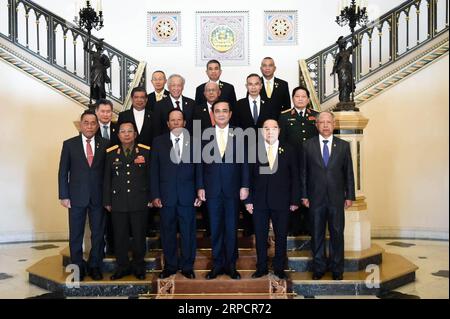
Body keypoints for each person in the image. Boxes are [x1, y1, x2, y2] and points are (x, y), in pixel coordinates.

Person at [197, 101, 250, 280]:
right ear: (213, 114)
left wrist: (245, 185)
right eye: (217, 111)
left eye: (224, 111)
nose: (221, 114)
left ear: (230, 113)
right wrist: (200, 186)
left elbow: (245, 162)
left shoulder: (240, 134)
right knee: (215, 228)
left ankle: (231, 265)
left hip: (233, 189)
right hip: (211, 190)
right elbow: (199, 164)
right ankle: (217, 264)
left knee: (231, 228)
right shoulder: (204, 134)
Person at [301, 111, 355, 281]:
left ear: (334, 124)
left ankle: (337, 269)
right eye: (321, 122)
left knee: (337, 234)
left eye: (328, 122)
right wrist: (304, 195)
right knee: (316, 234)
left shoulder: (344, 146)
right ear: (316, 125)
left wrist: (350, 195)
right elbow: (303, 173)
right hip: (315, 198)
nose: (325, 125)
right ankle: (319, 268)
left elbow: (349, 173)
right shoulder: (307, 145)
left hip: (337, 198)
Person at [151, 109, 202, 279]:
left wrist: (199, 192)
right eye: (172, 120)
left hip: (188, 196)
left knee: (188, 233)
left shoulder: (195, 142)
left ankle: (188, 266)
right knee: (168, 233)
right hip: (166, 197)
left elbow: (199, 170)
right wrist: (155, 194)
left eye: (179, 120)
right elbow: (154, 171)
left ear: (184, 123)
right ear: (168, 123)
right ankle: (171, 266)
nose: (176, 123)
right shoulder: (158, 142)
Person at [245, 119, 300, 280]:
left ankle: (279, 267)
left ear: (279, 131)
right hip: (259, 201)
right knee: (260, 237)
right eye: (266, 128)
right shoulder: (253, 150)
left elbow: (295, 176)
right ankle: (261, 267)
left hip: (282, 201)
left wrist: (294, 200)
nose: (270, 131)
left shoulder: (289, 150)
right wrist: (248, 200)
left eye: (274, 128)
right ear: (262, 132)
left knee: (281, 236)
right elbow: (247, 177)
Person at [58, 110, 109, 281]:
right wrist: (64, 196)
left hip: (98, 197)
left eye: (93, 123)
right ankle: (77, 267)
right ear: (81, 125)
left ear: (97, 125)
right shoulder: (69, 144)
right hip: (75, 197)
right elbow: (63, 172)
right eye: (86, 122)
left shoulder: (106, 144)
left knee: (98, 234)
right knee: (76, 235)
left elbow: (109, 174)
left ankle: (95, 266)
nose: (89, 126)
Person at [103, 121, 152, 280]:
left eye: (129, 131)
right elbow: (106, 179)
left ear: (135, 134)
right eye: (122, 131)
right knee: (120, 236)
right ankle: (122, 267)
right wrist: (107, 200)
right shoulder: (111, 153)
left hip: (140, 200)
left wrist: (151, 197)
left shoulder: (145, 152)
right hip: (118, 201)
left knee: (139, 237)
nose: (126, 134)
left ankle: (138, 266)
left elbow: (151, 177)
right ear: (118, 135)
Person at [232, 73, 279, 237]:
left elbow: (273, 128)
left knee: (262, 185)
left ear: (261, 86)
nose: (253, 87)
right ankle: (248, 226)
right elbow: (235, 129)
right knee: (246, 185)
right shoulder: (239, 105)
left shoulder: (270, 105)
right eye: (250, 84)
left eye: (256, 84)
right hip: (244, 152)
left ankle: (264, 226)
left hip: (265, 152)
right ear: (246, 86)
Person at [279, 86, 319, 236]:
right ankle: (294, 228)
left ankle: (309, 227)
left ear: (308, 99)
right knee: (293, 193)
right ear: (293, 99)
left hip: (312, 163)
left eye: (303, 96)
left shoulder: (316, 116)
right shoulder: (284, 116)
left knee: (311, 192)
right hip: (292, 162)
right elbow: (281, 141)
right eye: (297, 96)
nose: (300, 99)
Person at [94, 99, 119, 254]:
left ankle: (113, 248)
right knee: (98, 219)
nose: (105, 114)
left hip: (116, 180)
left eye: (108, 111)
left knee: (113, 219)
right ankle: (98, 250)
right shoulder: (90, 128)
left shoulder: (119, 129)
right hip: (97, 181)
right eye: (102, 111)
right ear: (97, 112)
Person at [331, 36, 358, 103]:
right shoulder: (338, 54)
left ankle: (347, 99)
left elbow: (356, 43)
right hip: (341, 70)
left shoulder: (348, 50)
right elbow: (335, 63)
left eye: (344, 43)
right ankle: (342, 100)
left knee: (348, 84)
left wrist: (354, 36)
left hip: (348, 69)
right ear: (340, 45)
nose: (343, 44)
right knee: (342, 84)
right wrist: (333, 71)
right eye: (342, 43)